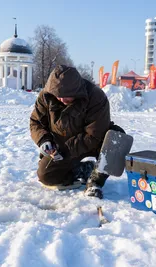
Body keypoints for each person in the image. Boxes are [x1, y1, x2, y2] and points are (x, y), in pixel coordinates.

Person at [30, 65, 125, 199]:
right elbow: (36, 122)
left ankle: (96, 181)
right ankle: (82, 169)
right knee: (46, 176)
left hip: (94, 142)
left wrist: (65, 150)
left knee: (118, 139)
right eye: (58, 96)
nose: (62, 100)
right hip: (62, 146)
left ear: (76, 90)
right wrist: (44, 140)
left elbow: (94, 134)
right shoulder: (46, 96)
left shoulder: (95, 96)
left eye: (66, 96)